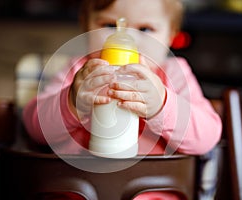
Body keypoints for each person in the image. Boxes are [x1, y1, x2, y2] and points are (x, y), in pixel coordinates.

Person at [23, 0, 222, 199]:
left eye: (145, 29)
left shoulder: (174, 74)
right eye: (110, 26)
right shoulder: (78, 72)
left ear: (171, 35)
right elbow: (34, 126)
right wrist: (71, 103)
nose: (126, 38)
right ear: (85, 25)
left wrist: (162, 105)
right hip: (78, 190)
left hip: (151, 193)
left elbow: (208, 135)